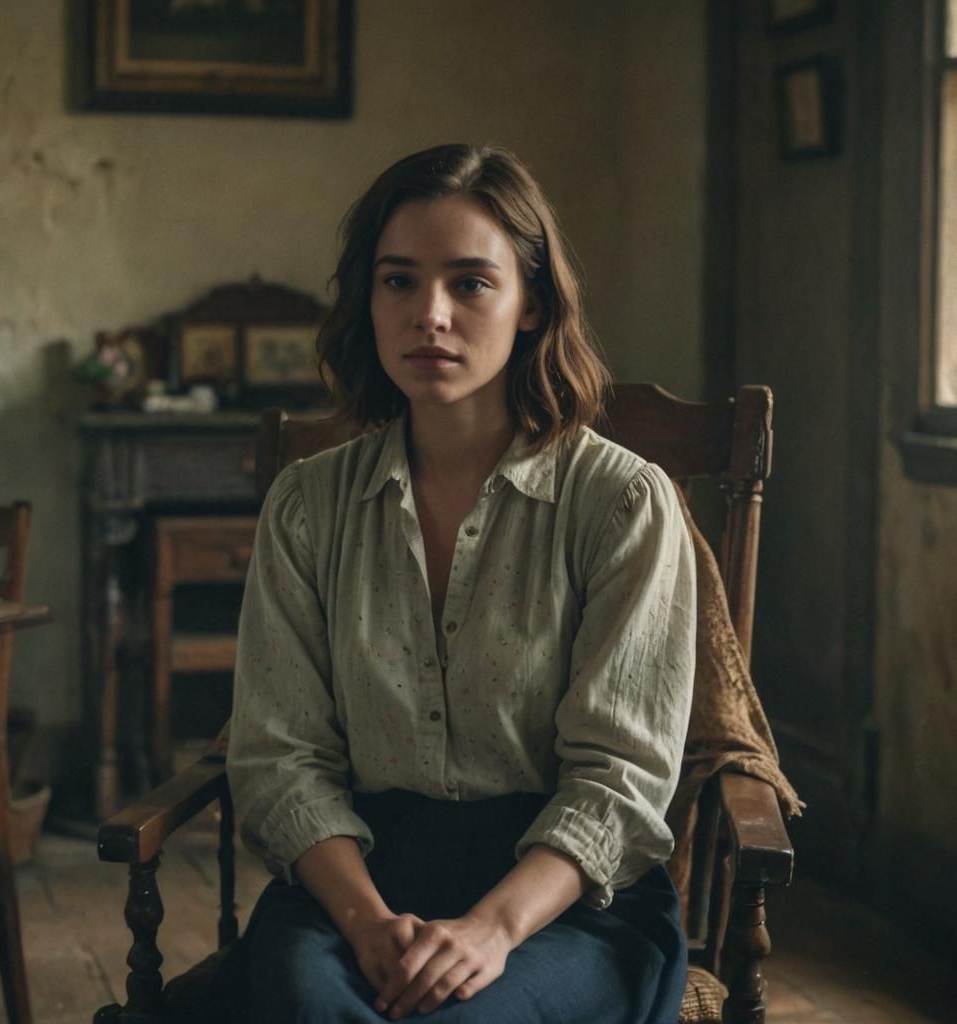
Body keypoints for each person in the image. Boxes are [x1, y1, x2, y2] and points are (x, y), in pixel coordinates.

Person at [227, 143, 697, 1023]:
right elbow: (279, 755)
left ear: (531, 305)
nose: (428, 315)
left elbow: (620, 779)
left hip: (560, 900)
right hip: (354, 886)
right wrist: (368, 923)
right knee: (308, 1006)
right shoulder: (309, 504)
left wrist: (489, 929)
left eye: (471, 283)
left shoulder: (621, 502)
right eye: (397, 281)